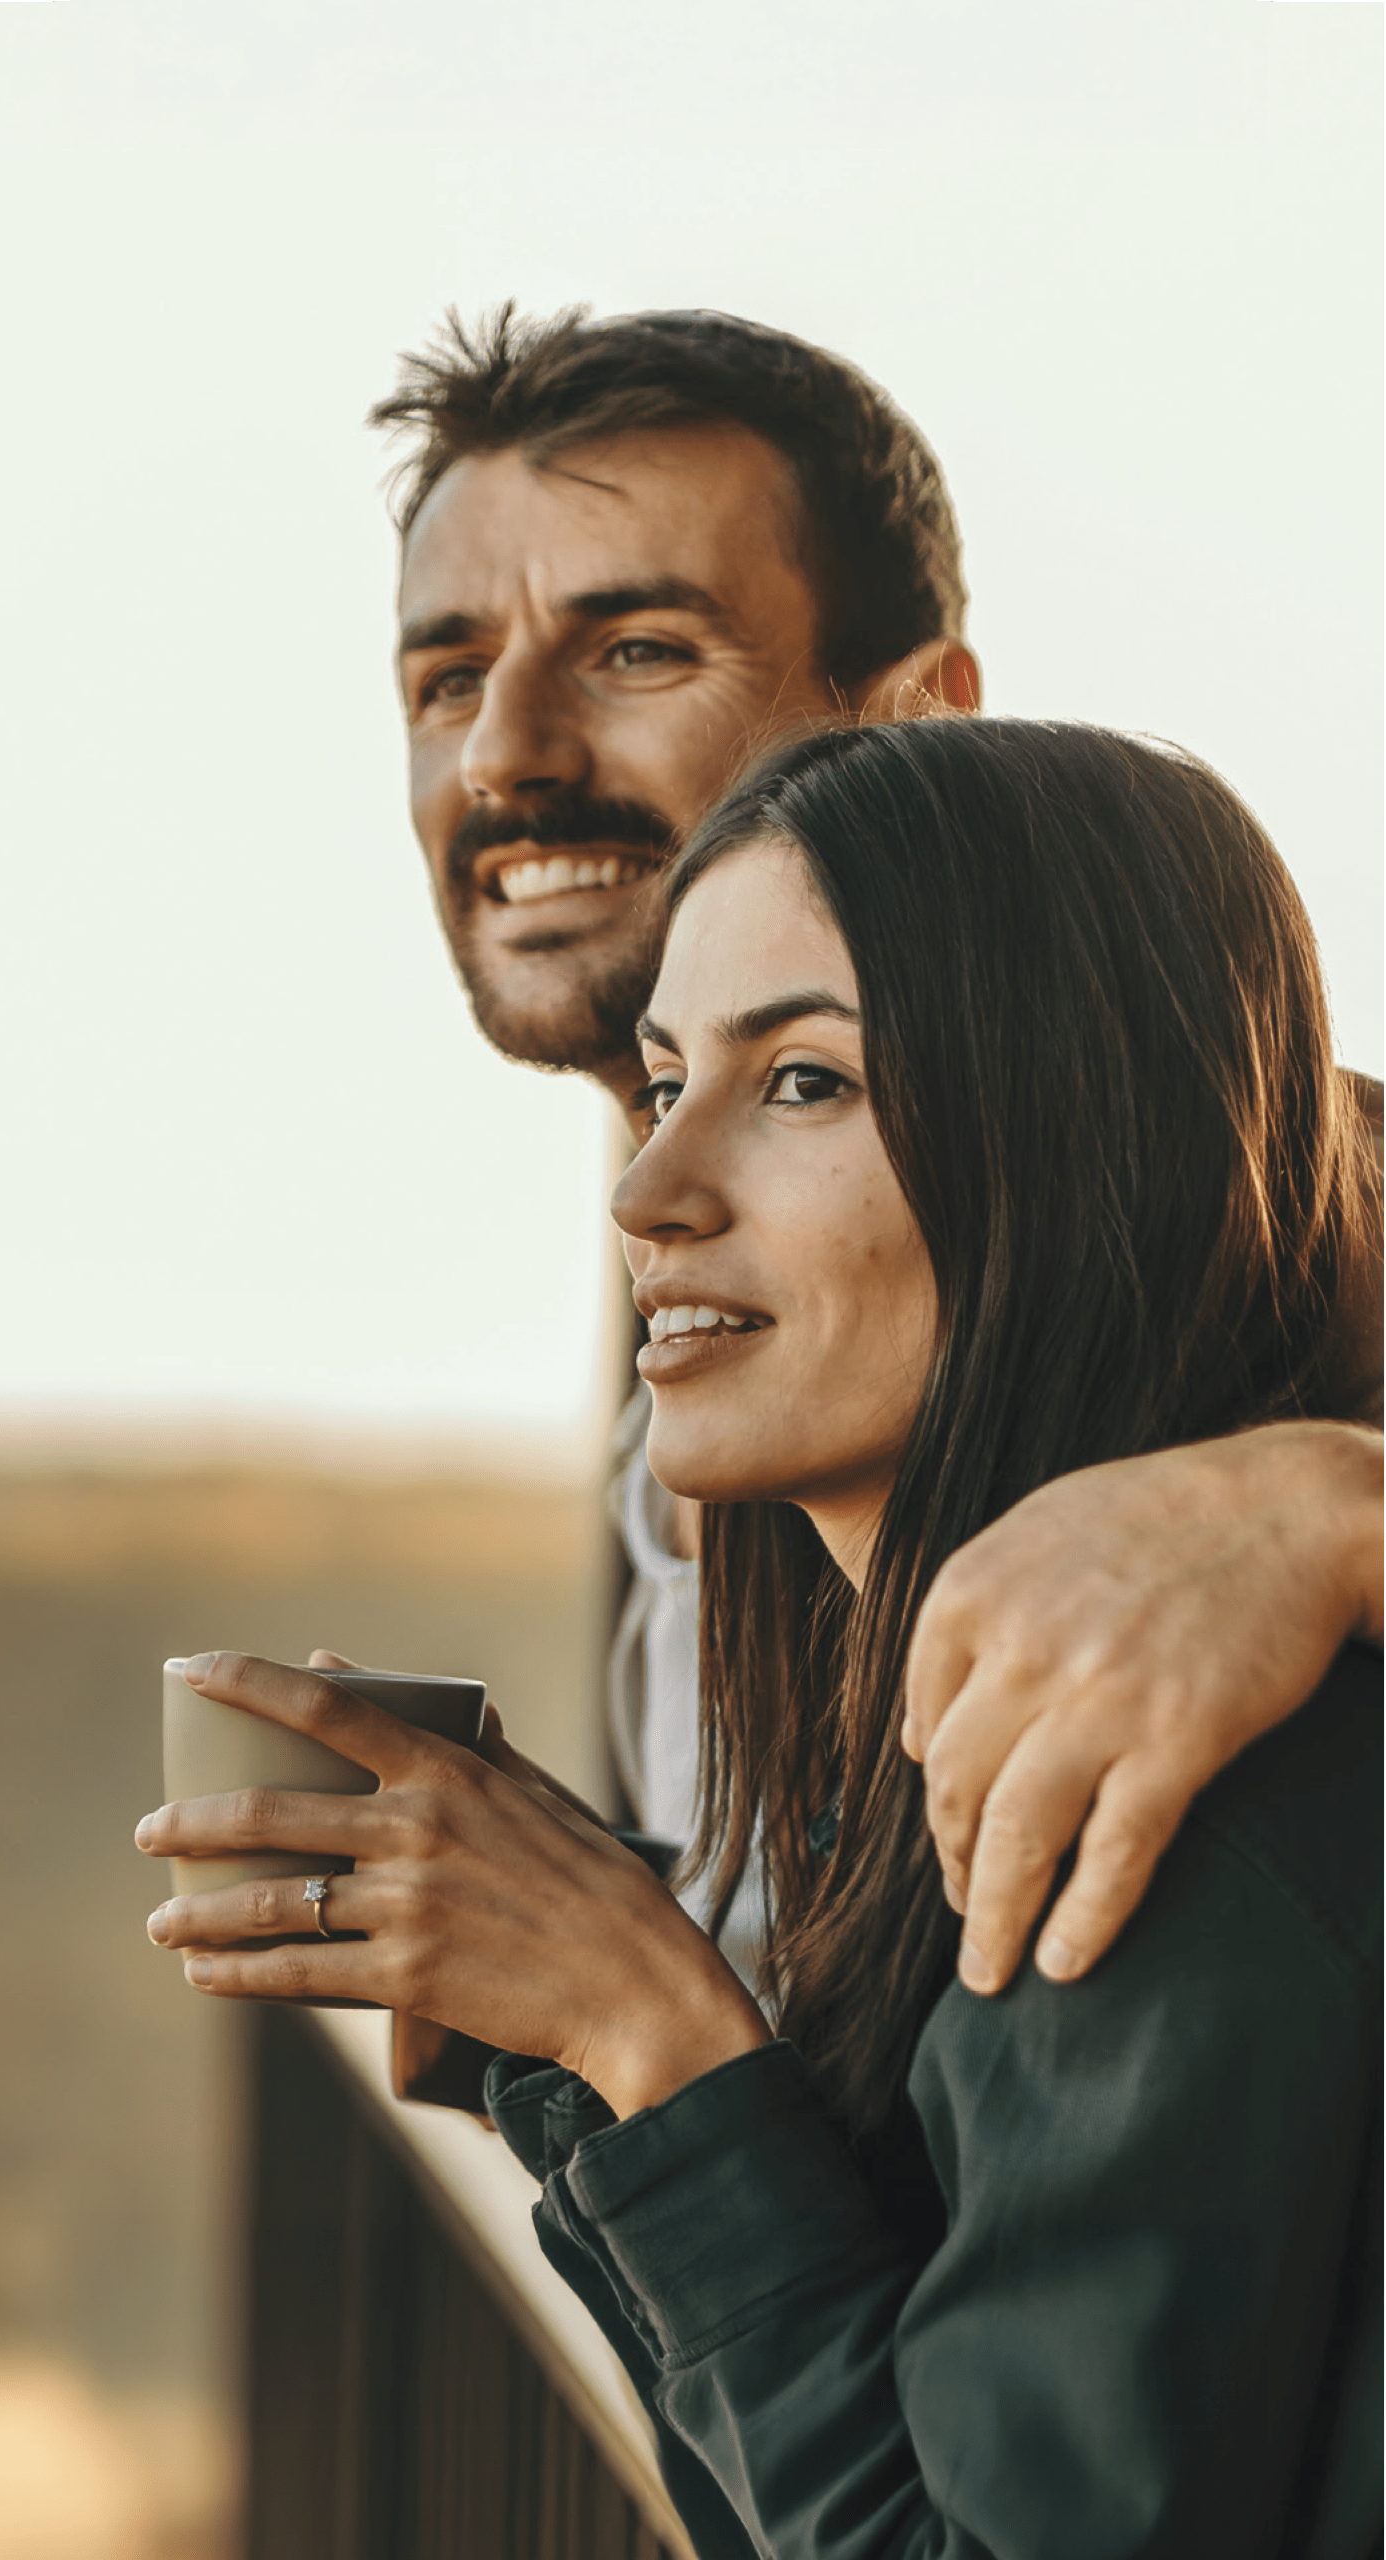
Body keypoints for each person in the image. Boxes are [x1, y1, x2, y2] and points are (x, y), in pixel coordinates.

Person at [140, 717, 1381, 2555]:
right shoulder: (929, 1773)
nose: (649, 1194)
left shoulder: (1126, 1792)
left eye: (803, 1082)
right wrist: (546, 2007)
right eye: (661, 1086)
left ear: (1069, 1135)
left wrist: (650, 2035)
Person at [375, 303, 1383, 1993]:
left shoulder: (1285, 1180)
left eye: (637, 651)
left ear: (919, 714)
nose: (507, 755)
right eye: (451, 677)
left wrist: (1341, 1509)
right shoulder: (686, 1313)